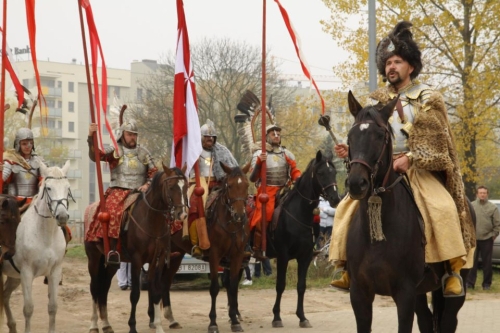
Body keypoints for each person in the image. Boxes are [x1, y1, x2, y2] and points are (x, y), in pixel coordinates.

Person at [329, 21, 475, 296]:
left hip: (418, 169)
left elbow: (437, 139)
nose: (391, 67)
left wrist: (411, 157)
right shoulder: (376, 103)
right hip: (382, 170)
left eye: (397, 61)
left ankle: (452, 269)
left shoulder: (428, 97)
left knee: (442, 207)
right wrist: (353, 153)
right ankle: (346, 266)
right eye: (387, 63)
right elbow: (371, 140)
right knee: (345, 208)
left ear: (410, 66)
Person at [87, 119, 157, 264]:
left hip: (141, 190)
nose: (132, 137)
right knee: (113, 212)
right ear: (123, 134)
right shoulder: (115, 149)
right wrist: (90, 137)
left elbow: (154, 171)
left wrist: (148, 184)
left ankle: (165, 246)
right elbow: (96, 156)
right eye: (129, 134)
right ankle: (113, 248)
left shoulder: (144, 152)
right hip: (118, 190)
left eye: (134, 135)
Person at [249, 124, 301, 259]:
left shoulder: (286, 153)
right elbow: (252, 177)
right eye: (273, 134)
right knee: (265, 214)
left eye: (278, 133)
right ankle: (257, 247)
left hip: (285, 188)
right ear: (266, 137)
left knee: (304, 208)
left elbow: (294, 170)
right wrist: (260, 162)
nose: (277, 136)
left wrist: (299, 179)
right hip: (267, 190)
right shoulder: (259, 154)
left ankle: (305, 244)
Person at [188, 119, 238, 259]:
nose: (210, 139)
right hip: (198, 184)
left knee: (236, 204)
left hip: (219, 183)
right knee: (195, 207)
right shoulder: (193, 151)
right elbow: (185, 167)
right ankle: (197, 243)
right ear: (201, 138)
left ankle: (240, 242)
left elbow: (233, 168)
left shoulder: (222, 151)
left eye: (212, 137)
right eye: (207, 136)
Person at [467, 186, 500, 290]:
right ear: (477, 194)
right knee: (472, 263)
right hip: (473, 239)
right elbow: (467, 221)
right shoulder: (471, 206)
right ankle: (470, 283)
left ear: (487, 194)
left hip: (487, 239)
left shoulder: (492, 207)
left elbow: (497, 224)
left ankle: (486, 284)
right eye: (480, 193)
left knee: (487, 263)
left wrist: (494, 235)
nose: (482, 194)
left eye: (484, 193)